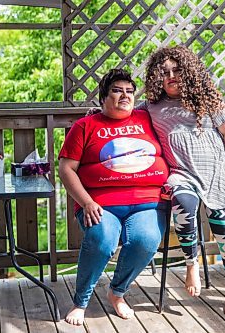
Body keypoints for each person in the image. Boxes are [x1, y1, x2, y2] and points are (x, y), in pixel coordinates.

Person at [58, 69, 169, 325]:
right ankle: (81, 301)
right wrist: (86, 201)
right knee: (102, 240)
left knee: (147, 239)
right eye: (117, 90)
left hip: (148, 200)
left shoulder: (147, 119)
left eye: (129, 91)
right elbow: (66, 169)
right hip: (100, 202)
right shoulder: (85, 126)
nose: (125, 96)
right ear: (103, 98)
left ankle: (117, 292)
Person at [143, 45, 225, 315]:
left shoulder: (207, 100)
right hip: (181, 173)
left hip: (218, 173)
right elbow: (124, 114)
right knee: (183, 203)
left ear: (189, 72)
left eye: (177, 70)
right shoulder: (152, 106)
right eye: (165, 72)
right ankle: (191, 264)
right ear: (157, 78)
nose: (171, 75)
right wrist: (97, 113)